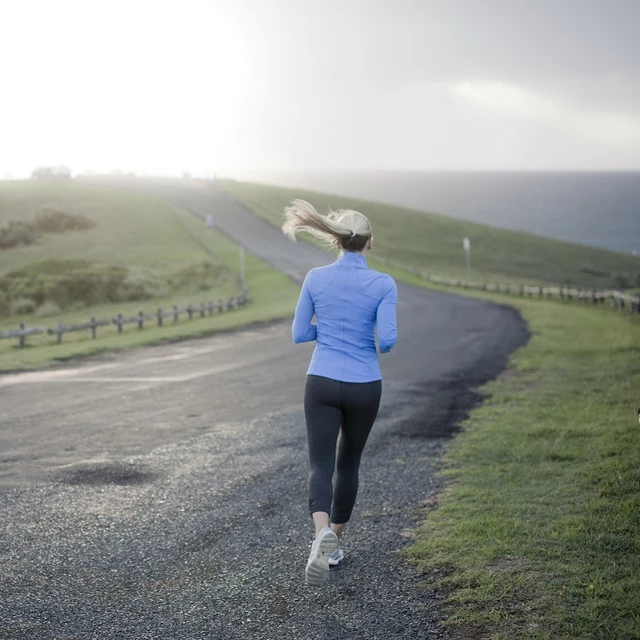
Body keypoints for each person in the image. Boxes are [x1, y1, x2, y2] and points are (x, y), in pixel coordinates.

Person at [282, 199, 398, 586]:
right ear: (369, 243)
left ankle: (320, 537)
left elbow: (300, 333)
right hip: (365, 385)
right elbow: (389, 342)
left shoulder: (315, 278)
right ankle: (334, 543)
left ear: (337, 242)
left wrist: (329, 329)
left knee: (320, 464)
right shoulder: (383, 284)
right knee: (348, 464)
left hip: (322, 381)